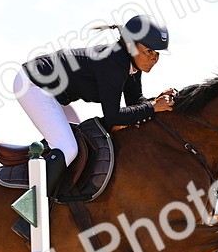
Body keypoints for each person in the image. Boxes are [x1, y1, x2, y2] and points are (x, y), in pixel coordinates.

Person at [14, 14, 175, 195]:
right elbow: (113, 117)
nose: (154, 59)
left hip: (53, 93)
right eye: (149, 51)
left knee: (82, 141)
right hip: (32, 83)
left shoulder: (130, 65)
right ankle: (31, 210)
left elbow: (135, 103)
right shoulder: (114, 63)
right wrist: (153, 106)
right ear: (131, 45)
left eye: (157, 53)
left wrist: (157, 103)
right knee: (68, 148)